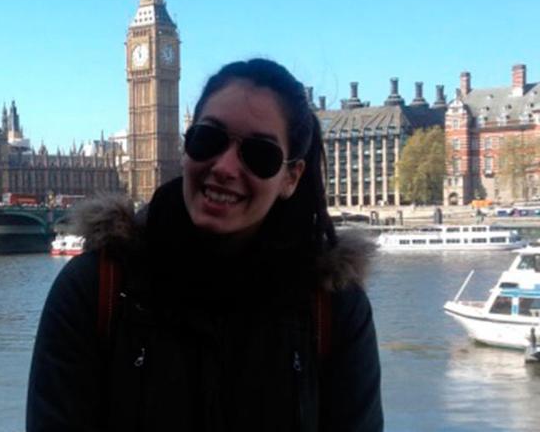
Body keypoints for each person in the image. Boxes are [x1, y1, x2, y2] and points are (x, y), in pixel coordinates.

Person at [27, 59, 383, 431]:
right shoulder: (96, 290)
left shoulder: (332, 307)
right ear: (186, 147)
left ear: (291, 177)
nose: (225, 167)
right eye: (208, 139)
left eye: (259, 154)